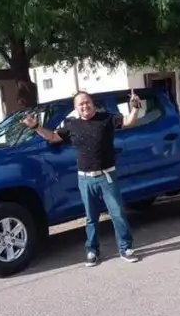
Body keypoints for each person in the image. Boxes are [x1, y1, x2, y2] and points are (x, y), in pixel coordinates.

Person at [22, 90, 142, 267]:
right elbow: (53, 137)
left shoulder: (106, 118)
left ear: (92, 103)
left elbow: (129, 121)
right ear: (76, 108)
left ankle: (125, 248)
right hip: (85, 179)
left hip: (107, 176)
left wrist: (135, 107)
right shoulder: (72, 125)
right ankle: (92, 251)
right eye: (80, 104)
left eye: (87, 102)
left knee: (117, 213)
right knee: (91, 218)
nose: (85, 106)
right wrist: (36, 127)